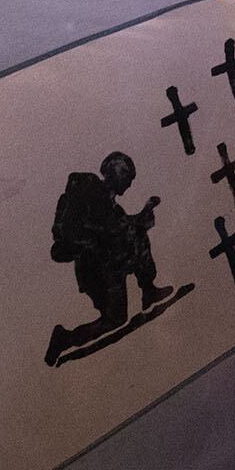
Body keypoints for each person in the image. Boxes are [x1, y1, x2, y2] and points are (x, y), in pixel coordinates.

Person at [45, 151, 172, 363]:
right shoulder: (94, 196)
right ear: (116, 174)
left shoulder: (111, 205)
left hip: (108, 264)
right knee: (116, 319)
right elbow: (106, 231)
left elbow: (121, 228)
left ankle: (148, 291)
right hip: (95, 268)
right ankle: (64, 339)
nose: (129, 184)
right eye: (128, 177)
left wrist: (145, 214)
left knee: (138, 238)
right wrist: (137, 224)